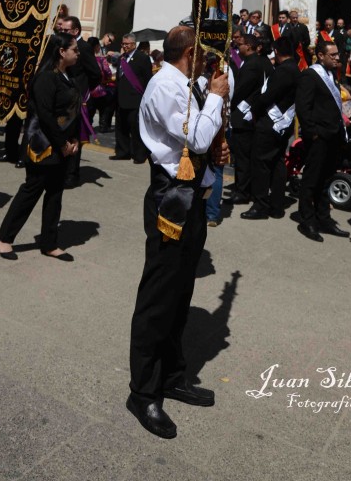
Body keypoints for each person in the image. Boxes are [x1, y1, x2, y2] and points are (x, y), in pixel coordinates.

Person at [128, 25, 229, 440]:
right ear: (189, 53)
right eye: (203, 53)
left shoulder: (188, 83)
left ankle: (172, 375)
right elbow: (198, 139)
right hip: (171, 199)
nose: (207, 60)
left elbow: (206, 137)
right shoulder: (166, 86)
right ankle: (143, 392)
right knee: (159, 297)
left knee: (181, 292)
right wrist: (217, 96)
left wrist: (217, 116)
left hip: (192, 197)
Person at [0, 33, 80, 262]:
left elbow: (73, 111)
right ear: (61, 52)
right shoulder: (46, 78)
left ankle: (49, 243)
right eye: (74, 50)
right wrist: (62, 143)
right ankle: (4, 238)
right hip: (43, 145)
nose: (78, 54)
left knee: (55, 194)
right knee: (31, 191)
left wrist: (74, 139)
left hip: (63, 145)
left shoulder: (68, 76)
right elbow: (46, 115)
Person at [295, 41, 349, 242]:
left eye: (337, 54)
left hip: (333, 136)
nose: (337, 58)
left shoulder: (331, 74)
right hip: (319, 137)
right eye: (332, 55)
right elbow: (303, 107)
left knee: (326, 179)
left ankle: (324, 218)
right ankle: (307, 220)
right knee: (311, 180)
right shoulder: (310, 75)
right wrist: (313, 134)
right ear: (320, 55)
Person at [240, 36, 299, 221]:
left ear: (277, 51)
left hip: (271, 123)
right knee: (277, 162)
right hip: (282, 125)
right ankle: (276, 205)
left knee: (261, 164)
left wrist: (254, 109)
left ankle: (260, 206)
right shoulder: (295, 69)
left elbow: (268, 96)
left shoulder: (284, 71)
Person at [227, 34, 273, 205]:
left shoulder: (252, 64)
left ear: (249, 46)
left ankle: (242, 191)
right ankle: (246, 188)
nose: (238, 47)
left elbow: (241, 89)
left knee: (242, 157)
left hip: (245, 114)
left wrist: (231, 100)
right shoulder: (258, 62)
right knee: (246, 155)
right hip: (250, 114)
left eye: (240, 44)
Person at [60, 16, 101, 187]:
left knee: (75, 137)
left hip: (80, 101)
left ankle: (72, 175)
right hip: (65, 98)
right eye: (61, 29)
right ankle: (62, 171)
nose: (62, 32)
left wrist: (83, 90)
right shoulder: (63, 45)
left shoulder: (83, 48)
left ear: (76, 31)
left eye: (66, 30)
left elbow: (96, 74)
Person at [111, 32, 152, 163]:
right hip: (121, 99)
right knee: (121, 128)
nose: (125, 46)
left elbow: (147, 79)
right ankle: (122, 152)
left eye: (127, 44)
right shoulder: (121, 58)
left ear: (134, 44)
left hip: (135, 99)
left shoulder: (142, 58)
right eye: (123, 44)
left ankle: (139, 155)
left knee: (136, 129)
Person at [87, 36, 116, 132]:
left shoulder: (84, 58)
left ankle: (88, 127)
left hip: (88, 89)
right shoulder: (101, 59)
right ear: (96, 47)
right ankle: (103, 126)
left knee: (90, 110)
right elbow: (108, 72)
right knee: (103, 108)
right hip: (100, 89)